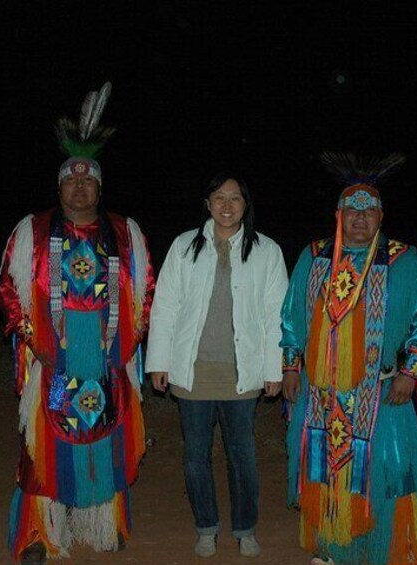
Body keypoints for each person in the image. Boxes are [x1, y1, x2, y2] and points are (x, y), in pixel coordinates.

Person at [0, 82, 154, 563]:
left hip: (107, 354)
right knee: (50, 437)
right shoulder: (33, 231)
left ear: (99, 188)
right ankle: (41, 532)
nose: (79, 187)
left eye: (88, 181)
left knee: (105, 431)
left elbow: (146, 293)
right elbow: (8, 290)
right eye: (70, 180)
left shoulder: (125, 232)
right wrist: (33, 341)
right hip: (54, 356)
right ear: (59, 185)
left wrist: (127, 346)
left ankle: (103, 523)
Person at [281, 153, 417, 565]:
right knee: (326, 470)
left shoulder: (404, 260)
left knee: (387, 473)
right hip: (320, 394)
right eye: (352, 209)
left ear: (382, 216)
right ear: (338, 214)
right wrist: (290, 366)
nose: (360, 218)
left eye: (369, 211)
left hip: (381, 390)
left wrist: (411, 372)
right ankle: (332, 549)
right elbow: (291, 317)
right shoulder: (314, 256)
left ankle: (386, 551)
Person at [145, 173, 289, 558]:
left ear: (246, 205)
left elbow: (277, 315)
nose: (227, 206)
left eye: (235, 198)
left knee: (242, 454)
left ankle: (244, 528)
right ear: (207, 204)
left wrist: (275, 369)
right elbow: (165, 307)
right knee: (196, 454)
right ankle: (206, 526)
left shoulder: (267, 251)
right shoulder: (184, 247)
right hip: (193, 369)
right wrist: (158, 361)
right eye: (219, 198)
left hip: (243, 372)